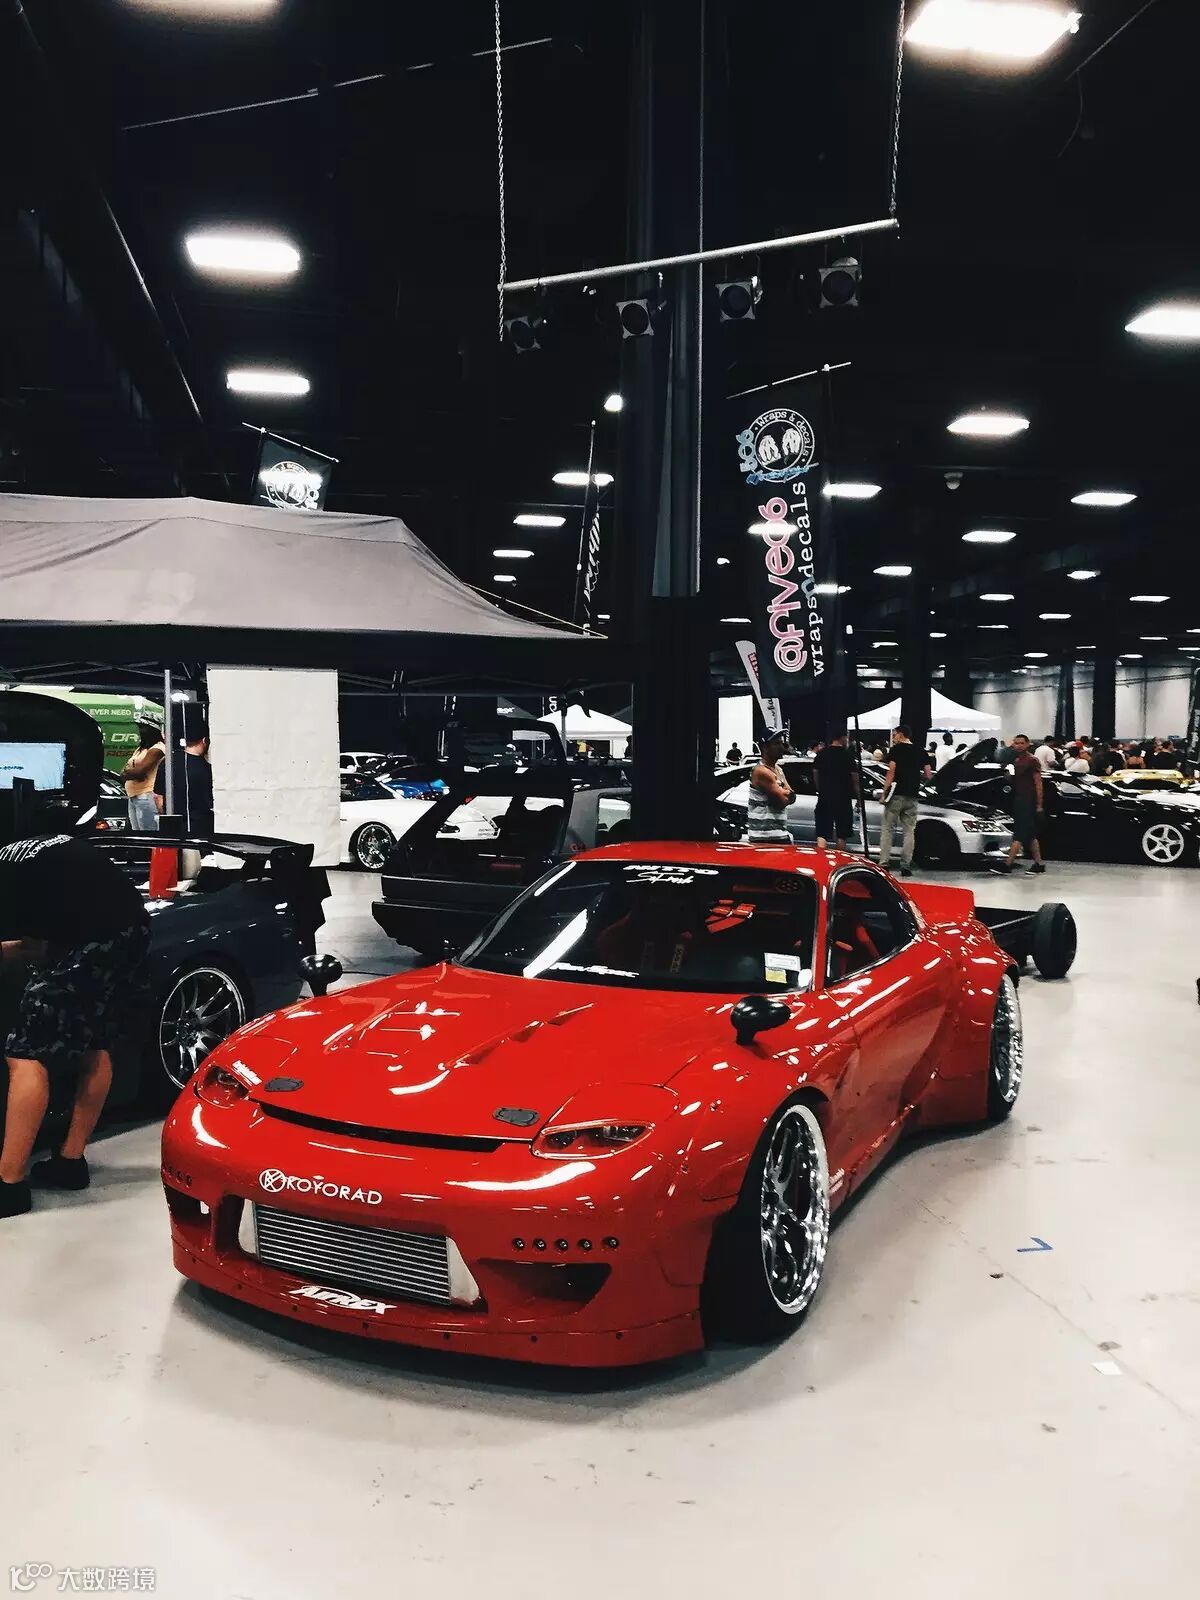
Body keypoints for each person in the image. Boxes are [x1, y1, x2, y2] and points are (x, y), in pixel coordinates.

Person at [0, 832, 152, 1218]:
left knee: (26, 1054)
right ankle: (70, 1162)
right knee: (93, 1041)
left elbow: (34, 949)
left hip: (94, 942)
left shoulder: (9, 885)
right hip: (132, 931)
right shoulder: (21, 856)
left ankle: (9, 1185)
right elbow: (40, 943)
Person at [878, 725, 929, 877]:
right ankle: (906, 865)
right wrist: (915, 777)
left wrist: (884, 792)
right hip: (912, 795)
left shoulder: (896, 750)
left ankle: (884, 863)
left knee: (887, 829)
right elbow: (928, 774)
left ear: (901, 734)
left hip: (896, 794)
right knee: (909, 831)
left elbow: (891, 771)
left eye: (895, 734)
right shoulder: (920, 751)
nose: (894, 737)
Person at [991, 734, 1046, 875]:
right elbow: (1016, 780)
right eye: (1016, 743)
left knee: (1019, 834)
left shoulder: (1032, 760)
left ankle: (1007, 864)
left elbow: (1038, 783)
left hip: (1028, 800)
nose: (1019, 745)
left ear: (1028, 744)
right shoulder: (1016, 760)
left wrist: (1039, 805)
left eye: (1022, 743)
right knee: (1030, 834)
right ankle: (1039, 863)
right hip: (1019, 799)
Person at [155, 721, 215, 838]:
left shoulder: (167, 763)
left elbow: (158, 798)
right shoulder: (207, 769)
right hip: (201, 826)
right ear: (205, 740)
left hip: (172, 825)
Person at [814, 728, 860, 850]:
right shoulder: (848, 755)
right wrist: (858, 797)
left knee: (822, 833)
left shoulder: (822, 754)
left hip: (824, 798)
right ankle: (839, 858)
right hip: (843, 799)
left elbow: (815, 774)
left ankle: (821, 858)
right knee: (842, 834)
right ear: (842, 737)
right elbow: (855, 779)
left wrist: (820, 789)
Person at [746, 728, 794, 843]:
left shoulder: (778, 770)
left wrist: (786, 794)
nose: (781, 747)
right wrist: (785, 793)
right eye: (776, 743)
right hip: (764, 838)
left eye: (781, 743)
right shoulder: (761, 771)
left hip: (779, 834)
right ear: (765, 747)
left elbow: (792, 796)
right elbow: (781, 802)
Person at [121, 721, 165, 832]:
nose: (140, 732)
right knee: (137, 833)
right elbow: (123, 771)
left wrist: (132, 772)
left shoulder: (158, 748)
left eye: (143, 728)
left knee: (148, 832)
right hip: (133, 796)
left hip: (146, 795)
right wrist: (132, 773)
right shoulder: (140, 750)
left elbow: (140, 771)